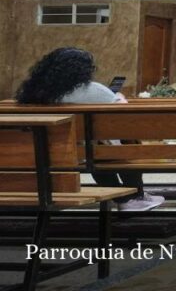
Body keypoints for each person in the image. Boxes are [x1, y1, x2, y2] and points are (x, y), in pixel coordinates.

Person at [16, 47, 164, 212]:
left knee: (94, 151)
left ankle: (125, 197)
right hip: (89, 151)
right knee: (122, 147)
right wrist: (120, 98)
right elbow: (123, 116)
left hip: (48, 151)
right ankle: (133, 197)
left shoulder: (34, 93)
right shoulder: (93, 89)